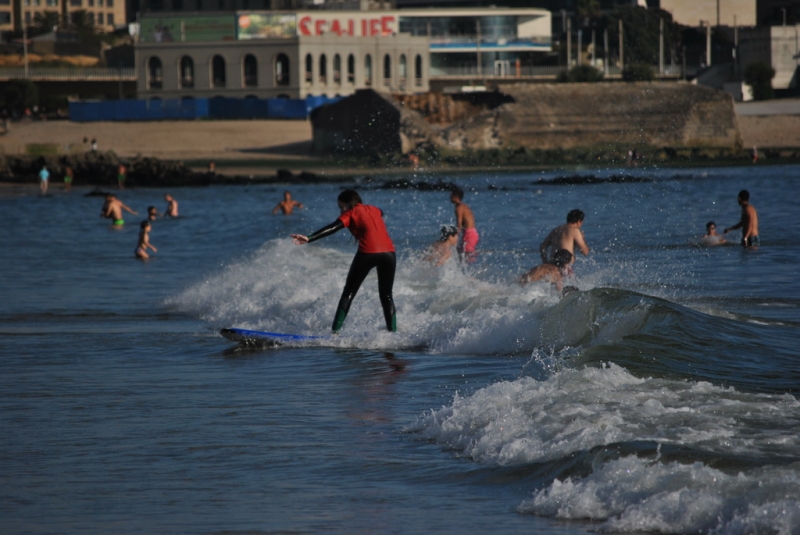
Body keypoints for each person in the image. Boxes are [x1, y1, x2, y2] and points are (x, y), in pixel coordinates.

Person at [291, 189, 396, 334]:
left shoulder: (351, 213)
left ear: (350, 204)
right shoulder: (374, 209)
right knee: (387, 295)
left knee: (348, 293)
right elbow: (381, 212)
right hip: (389, 253)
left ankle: (334, 333)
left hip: (368, 253)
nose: (341, 211)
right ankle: (393, 333)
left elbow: (333, 227)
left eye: (342, 207)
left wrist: (310, 238)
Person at [539, 209, 590, 275]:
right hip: (565, 266)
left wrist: (545, 262)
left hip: (552, 265)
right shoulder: (575, 231)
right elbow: (585, 252)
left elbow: (543, 246)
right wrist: (583, 239)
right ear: (579, 221)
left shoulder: (557, 230)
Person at [450, 186, 479, 262]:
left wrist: (455, 235)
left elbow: (459, 223)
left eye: (451, 196)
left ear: (456, 197)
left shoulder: (459, 208)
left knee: (467, 257)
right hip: (471, 233)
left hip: (469, 234)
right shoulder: (464, 206)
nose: (450, 197)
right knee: (460, 253)